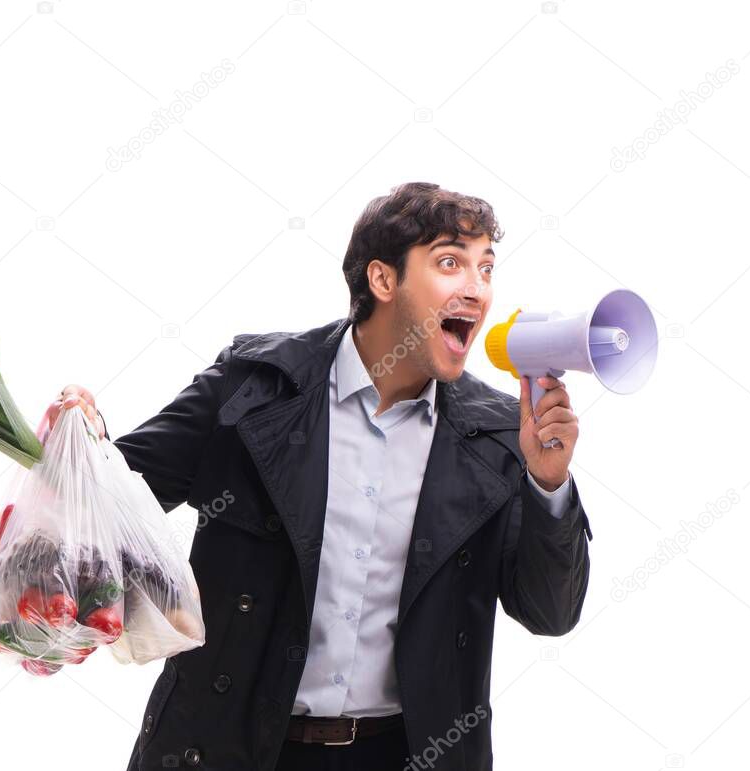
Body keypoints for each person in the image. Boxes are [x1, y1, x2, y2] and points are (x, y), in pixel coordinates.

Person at [45, 182, 592, 770]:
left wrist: (548, 485)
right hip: (234, 748)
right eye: (451, 263)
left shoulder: (498, 435)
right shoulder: (252, 387)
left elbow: (549, 613)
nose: (476, 290)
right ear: (383, 281)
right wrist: (84, 440)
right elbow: (115, 501)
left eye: (486, 268)